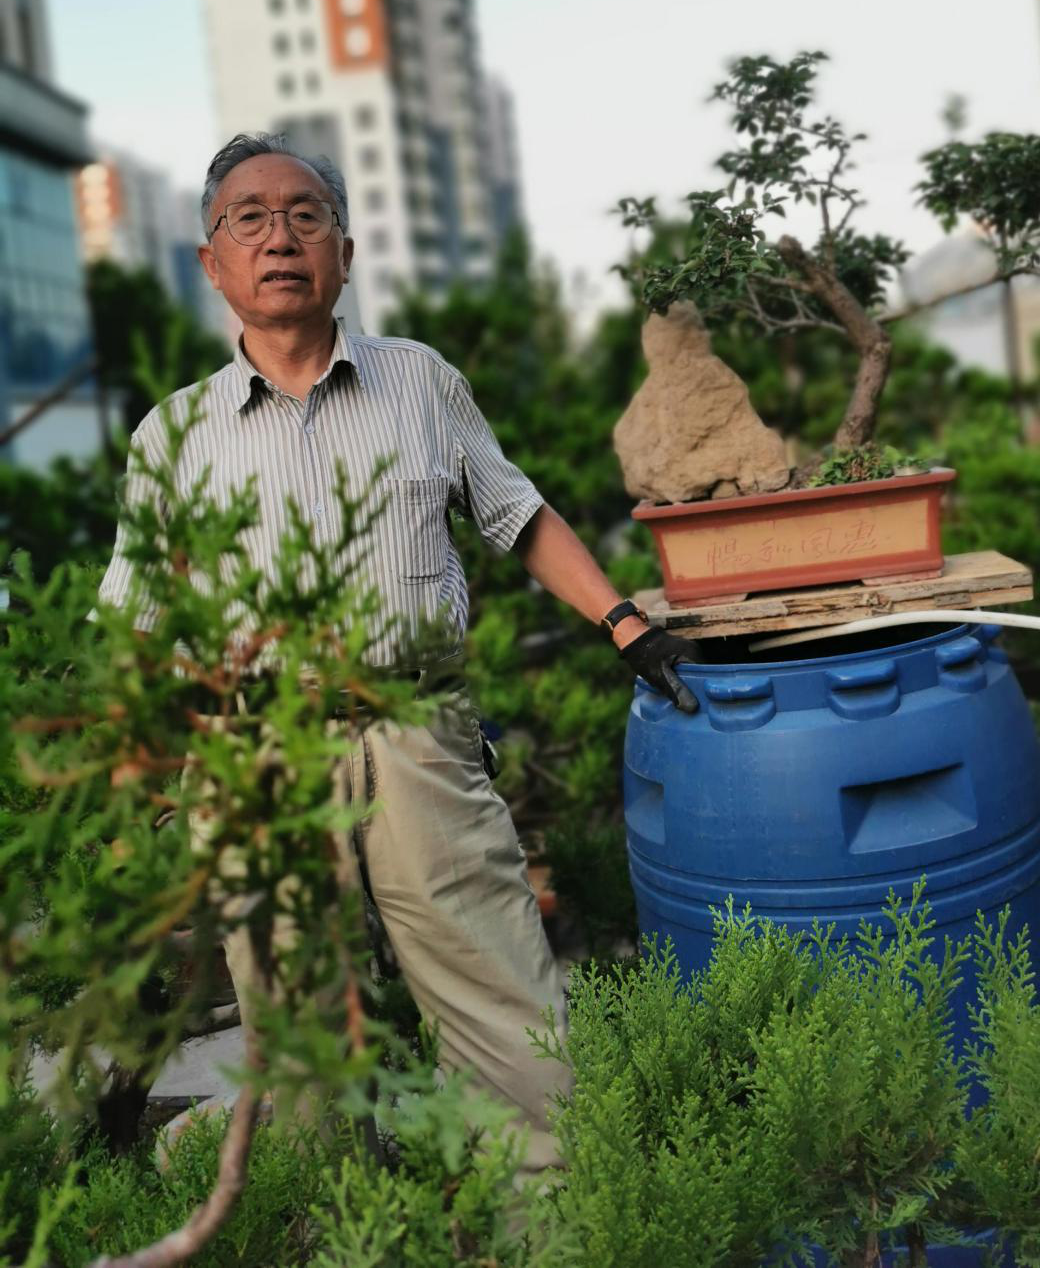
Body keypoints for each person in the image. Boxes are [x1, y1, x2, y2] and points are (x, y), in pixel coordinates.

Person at [96, 132, 701, 1169]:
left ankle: (548, 1218)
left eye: (303, 214)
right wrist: (135, 783)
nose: (278, 237)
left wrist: (624, 623)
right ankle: (290, 1201)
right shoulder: (172, 435)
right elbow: (140, 625)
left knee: (512, 1017)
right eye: (249, 218)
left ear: (343, 247)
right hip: (259, 760)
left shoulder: (419, 381)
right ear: (211, 263)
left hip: (419, 737)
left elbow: (517, 514)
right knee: (301, 1055)